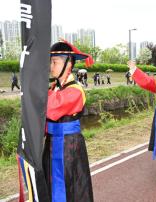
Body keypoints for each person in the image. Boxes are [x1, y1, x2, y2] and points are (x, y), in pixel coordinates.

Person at [44, 40, 94, 202]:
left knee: (71, 188)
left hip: (69, 147)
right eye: (50, 62)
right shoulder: (53, 88)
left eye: (55, 62)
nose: (51, 66)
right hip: (51, 144)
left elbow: (51, 108)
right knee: (51, 185)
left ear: (69, 64)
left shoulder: (75, 90)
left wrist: (34, 87)